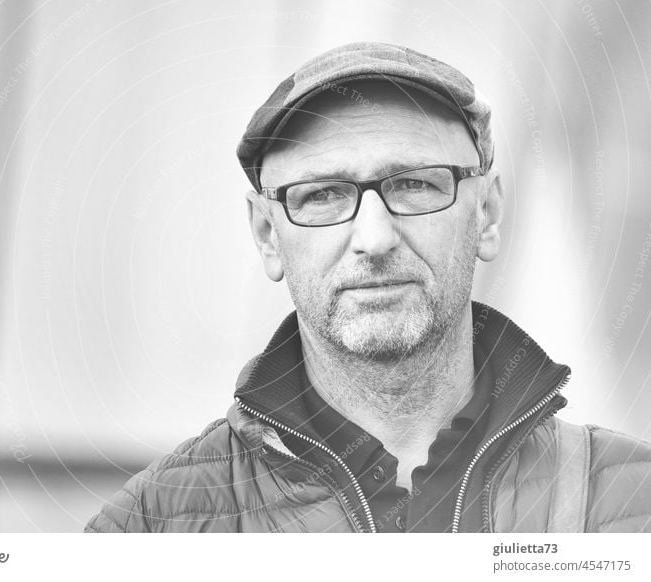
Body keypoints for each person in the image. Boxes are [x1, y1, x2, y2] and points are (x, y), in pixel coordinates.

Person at [86, 42, 651, 533]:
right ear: (266, 235)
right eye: (322, 195)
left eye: (414, 184)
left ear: (489, 214)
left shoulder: (633, 505)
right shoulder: (146, 528)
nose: (375, 238)